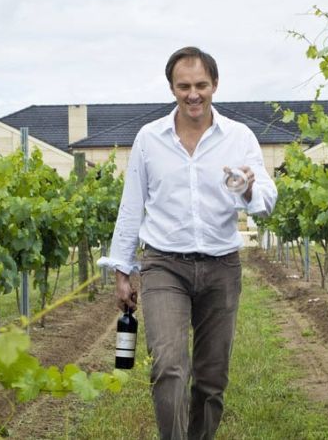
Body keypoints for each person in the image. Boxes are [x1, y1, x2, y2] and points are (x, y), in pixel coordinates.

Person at [98, 46, 277, 440]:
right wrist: (122, 271)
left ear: (214, 85)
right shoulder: (149, 139)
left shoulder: (239, 137)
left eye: (200, 85)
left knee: (212, 378)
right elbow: (132, 207)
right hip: (165, 265)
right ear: (172, 88)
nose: (192, 94)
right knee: (168, 367)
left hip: (221, 266)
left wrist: (247, 190)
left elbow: (266, 200)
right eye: (184, 86)